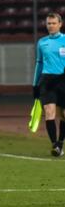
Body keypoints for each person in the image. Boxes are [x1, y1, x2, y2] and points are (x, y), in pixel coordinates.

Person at [33, 12, 65, 157]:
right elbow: (39, 63)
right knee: (49, 112)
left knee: (63, 115)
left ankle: (60, 142)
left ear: (60, 24)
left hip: (63, 80)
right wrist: (35, 84)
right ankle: (55, 145)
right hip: (47, 81)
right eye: (48, 23)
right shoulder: (42, 42)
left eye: (53, 23)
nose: (51, 26)